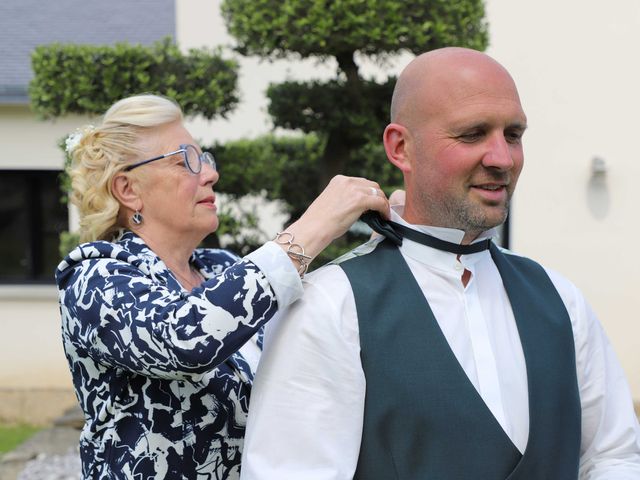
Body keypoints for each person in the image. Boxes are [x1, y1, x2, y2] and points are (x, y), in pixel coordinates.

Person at [240, 48, 640, 479]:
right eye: (472, 134)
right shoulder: (330, 305)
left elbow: (611, 456)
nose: (502, 159)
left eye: (513, 134)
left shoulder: (562, 300)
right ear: (401, 148)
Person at [55, 93, 390, 479]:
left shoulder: (221, 269)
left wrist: (387, 246)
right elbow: (185, 339)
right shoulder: (93, 280)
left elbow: (315, 320)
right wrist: (317, 223)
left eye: (205, 158)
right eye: (185, 161)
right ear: (128, 190)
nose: (210, 174)